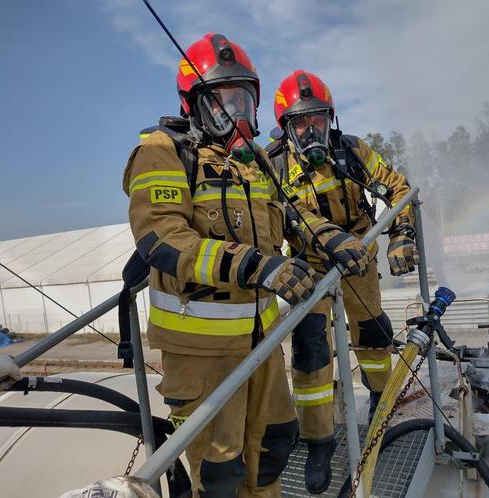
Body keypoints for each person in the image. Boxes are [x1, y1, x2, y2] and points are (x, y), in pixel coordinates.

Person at [123, 34, 327, 497]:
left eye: (243, 101)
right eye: (223, 103)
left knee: (276, 444)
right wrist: (258, 266)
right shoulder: (164, 151)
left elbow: (293, 214)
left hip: (261, 338)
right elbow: (162, 237)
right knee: (222, 475)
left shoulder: (253, 162)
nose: (236, 114)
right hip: (202, 351)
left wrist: (336, 240)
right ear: (192, 104)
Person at [267, 69, 419, 494]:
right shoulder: (273, 164)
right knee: (312, 355)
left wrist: (401, 233)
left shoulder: (352, 150)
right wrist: (330, 239)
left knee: (373, 336)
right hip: (311, 271)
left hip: (360, 266)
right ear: (285, 126)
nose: (311, 129)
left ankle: (380, 405)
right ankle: (319, 442)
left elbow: (397, 186)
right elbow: (286, 212)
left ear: (329, 118)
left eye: (318, 119)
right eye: (301, 122)